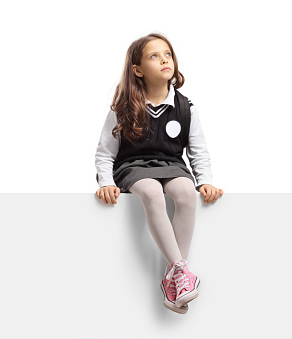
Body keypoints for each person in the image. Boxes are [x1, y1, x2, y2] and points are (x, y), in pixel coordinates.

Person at [94, 33, 223, 314]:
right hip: (134, 167)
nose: (165, 59)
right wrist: (105, 182)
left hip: (172, 165)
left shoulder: (185, 108)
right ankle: (180, 271)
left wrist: (206, 182)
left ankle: (175, 281)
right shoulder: (123, 107)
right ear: (138, 70)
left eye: (168, 54)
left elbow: (198, 151)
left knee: (186, 192)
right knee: (152, 191)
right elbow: (105, 153)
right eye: (154, 56)